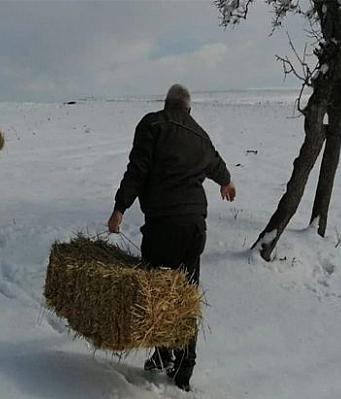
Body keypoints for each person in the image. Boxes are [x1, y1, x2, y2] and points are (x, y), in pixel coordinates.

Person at [107, 84, 236, 392]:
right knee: (186, 293)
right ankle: (183, 365)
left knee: (156, 292)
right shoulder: (200, 134)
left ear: (166, 104)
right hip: (194, 226)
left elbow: (137, 170)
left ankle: (164, 352)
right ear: (188, 109)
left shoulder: (152, 124)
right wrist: (227, 181)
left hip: (163, 223)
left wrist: (119, 208)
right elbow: (216, 163)